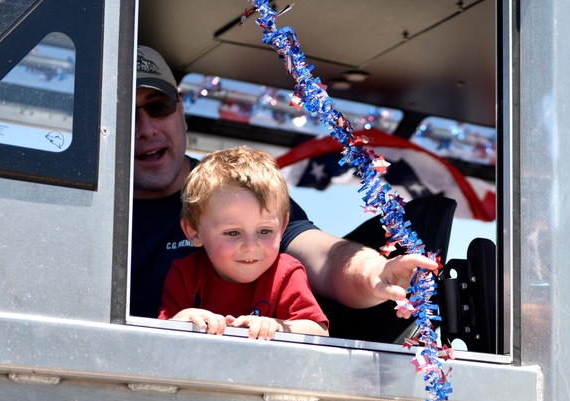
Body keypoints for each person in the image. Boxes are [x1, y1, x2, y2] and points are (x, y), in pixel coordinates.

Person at [131, 46, 438, 323]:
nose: (145, 129)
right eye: (125, 111)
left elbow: (327, 259)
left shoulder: (240, 189)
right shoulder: (84, 203)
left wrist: (376, 272)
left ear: (181, 112)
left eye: (159, 107)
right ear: (192, 230)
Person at [158, 146, 329, 340]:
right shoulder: (185, 273)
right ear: (193, 231)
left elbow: (319, 330)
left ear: (282, 228)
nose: (251, 246)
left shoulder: (286, 273)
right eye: (232, 233)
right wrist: (184, 319)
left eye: (264, 231)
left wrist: (276, 327)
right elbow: (160, 333)